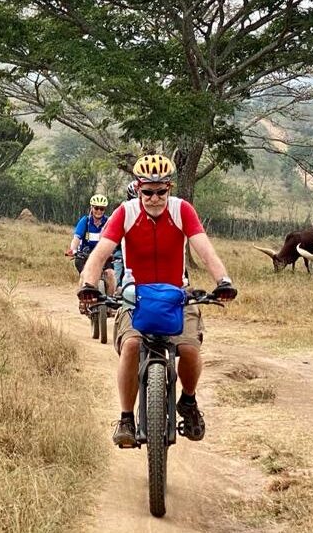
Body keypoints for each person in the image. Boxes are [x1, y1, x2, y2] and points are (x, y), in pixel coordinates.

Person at [78, 154, 237, 448]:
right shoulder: (124, 213)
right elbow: (100, 253)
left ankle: (188, 402)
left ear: (170, 188)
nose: (154, 198)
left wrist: (223, 280)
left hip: (176, 294)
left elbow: (204, 249)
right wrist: (88, 283)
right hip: (134, 296)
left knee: (189, 348)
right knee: (131, 346)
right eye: (147, 192)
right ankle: (126, 418)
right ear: (138, 189)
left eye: (160, 191)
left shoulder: (182, 210)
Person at [66, 194, 116, 298]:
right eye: (96, 208)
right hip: (85, 255)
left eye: (101, 209)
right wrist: (73, 249)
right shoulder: (85, 221)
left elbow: (115, 239)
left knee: (111, 275)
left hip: (103, 256)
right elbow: (76, 238)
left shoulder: (108, 222)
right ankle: (82, 300)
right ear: (91, 208)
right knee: (85, 274)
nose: (98, 211)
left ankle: (109, 301)